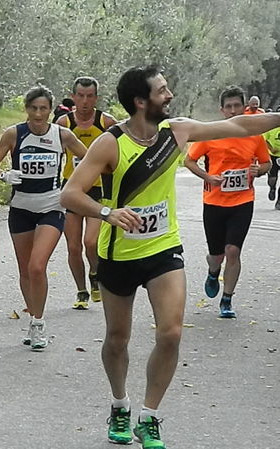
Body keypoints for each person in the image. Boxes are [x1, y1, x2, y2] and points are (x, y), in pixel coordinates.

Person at [60, 65, 280, 449]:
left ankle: (149, 417)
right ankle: (119, 404)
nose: (171, 95)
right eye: (163, 91)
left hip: (164, 249)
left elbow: (243, 127)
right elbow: (70, 194)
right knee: (117, 338)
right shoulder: (111, 143)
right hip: (119, 254)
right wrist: (108, 213)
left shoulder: (176, 131)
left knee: (171, 333)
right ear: (141, 102)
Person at [0, 85, 87, 350]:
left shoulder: (61, 135)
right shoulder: (14, 134)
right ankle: (32, 317)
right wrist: (4, 175)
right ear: (26, 109)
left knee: (37, 266)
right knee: (25, 269)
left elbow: (90, 159)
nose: (38, 114)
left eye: (43, 109)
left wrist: (75, 184)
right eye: (33, 108)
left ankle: (39, 324)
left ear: (50, 110)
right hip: (21, 208)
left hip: (52, 206)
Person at [185, 86, 271, 318]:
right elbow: (189, 160)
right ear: (221, 110)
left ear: (244, 108)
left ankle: (227, 299)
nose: (233, 111)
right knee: (217, 255)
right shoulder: (210, 133)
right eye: (228, 107)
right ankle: (213, 271)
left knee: (233, 250)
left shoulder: (255, 135)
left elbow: (267, 163)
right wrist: (207, 176)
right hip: (214, 201)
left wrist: (258, 170)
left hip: (243, 200)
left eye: (237, 106)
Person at [56, 76, 117, 309]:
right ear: (73, 97)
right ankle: (81, 291)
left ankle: (95, 273)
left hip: (98, 189)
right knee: (73, 246)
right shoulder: (63, 124)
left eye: (89, 96)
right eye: (80, 96)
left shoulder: (106, 122)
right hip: (72, 188)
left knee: (91, 242)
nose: (84, 101)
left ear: (96, 98)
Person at [263, 125, 280, 208]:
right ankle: (272, 188)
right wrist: (271, 148)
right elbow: (263, 140)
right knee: (272, 177)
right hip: (273, 155)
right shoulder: (271, 128)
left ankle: (279, 201)